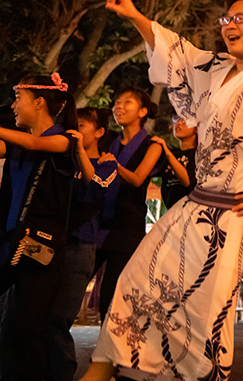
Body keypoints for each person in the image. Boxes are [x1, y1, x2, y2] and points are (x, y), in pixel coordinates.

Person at [81, 0, 243, 381]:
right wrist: (134, 15)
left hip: (230, 215)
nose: (229, 26)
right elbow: (176, 53)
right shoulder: (215, 67)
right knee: (135, 284)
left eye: (240, 19)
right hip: (192, 203)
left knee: (203, 316)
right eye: (226, 19)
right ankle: (101, 371)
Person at [0, 73, 77, 381]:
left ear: (40, 102)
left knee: (29, 331)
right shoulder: (17, 143)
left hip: (40, 249)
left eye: (19, 98)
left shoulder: (65, 139)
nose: (13, 106)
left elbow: (34, 142)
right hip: (9, 243)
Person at [47, 107, 119, 381]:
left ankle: (61, 374)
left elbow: (98, 188)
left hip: (80, 247)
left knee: (59, 319)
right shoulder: (62, 159)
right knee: (39, 318)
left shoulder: (107, 164)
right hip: (53, 243)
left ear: (99, 132)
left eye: (82, 124)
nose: (74, 129)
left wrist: (78, 152)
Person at [92, 86, 163, 320]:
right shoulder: (107, 139)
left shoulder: (152, 145)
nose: (118, 107)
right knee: (76, 277)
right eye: (117, 102)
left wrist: (112, 164)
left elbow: (137, 179)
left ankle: (109, 349)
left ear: (143, 111)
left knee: (111, 293)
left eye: (127, 103)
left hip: (127, 227)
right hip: (97, 222)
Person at [159, 115, 195, 209]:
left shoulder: (198, 155)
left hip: (190, 213)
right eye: (176, 118)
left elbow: (187, 182)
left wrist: (167, 153)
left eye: (185, 119)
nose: (179, 122)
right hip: (171, 213)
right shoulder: (172, 154)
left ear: (197, 128)